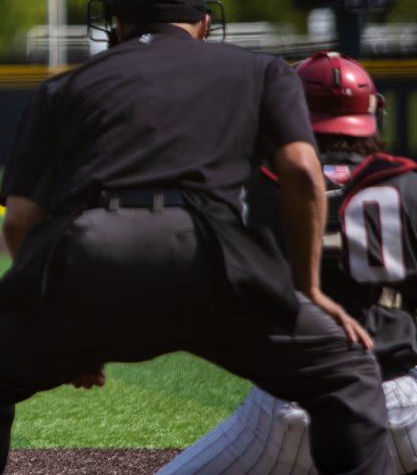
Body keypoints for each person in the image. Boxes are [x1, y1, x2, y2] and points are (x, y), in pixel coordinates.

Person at [0, 0, 390, 475]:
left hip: (91, 257)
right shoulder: (261, 70)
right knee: (345, 373)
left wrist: (64, 320)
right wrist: (308, 289)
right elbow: (304, 175)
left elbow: (20, 219)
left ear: (118, 25)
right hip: (210, 259)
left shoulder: (62, 88)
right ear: (204, 24)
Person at [161, 50, 417, 475]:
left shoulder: (253, 185)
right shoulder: (407, 183)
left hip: (291, 411)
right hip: (405, 409)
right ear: (374, 114)